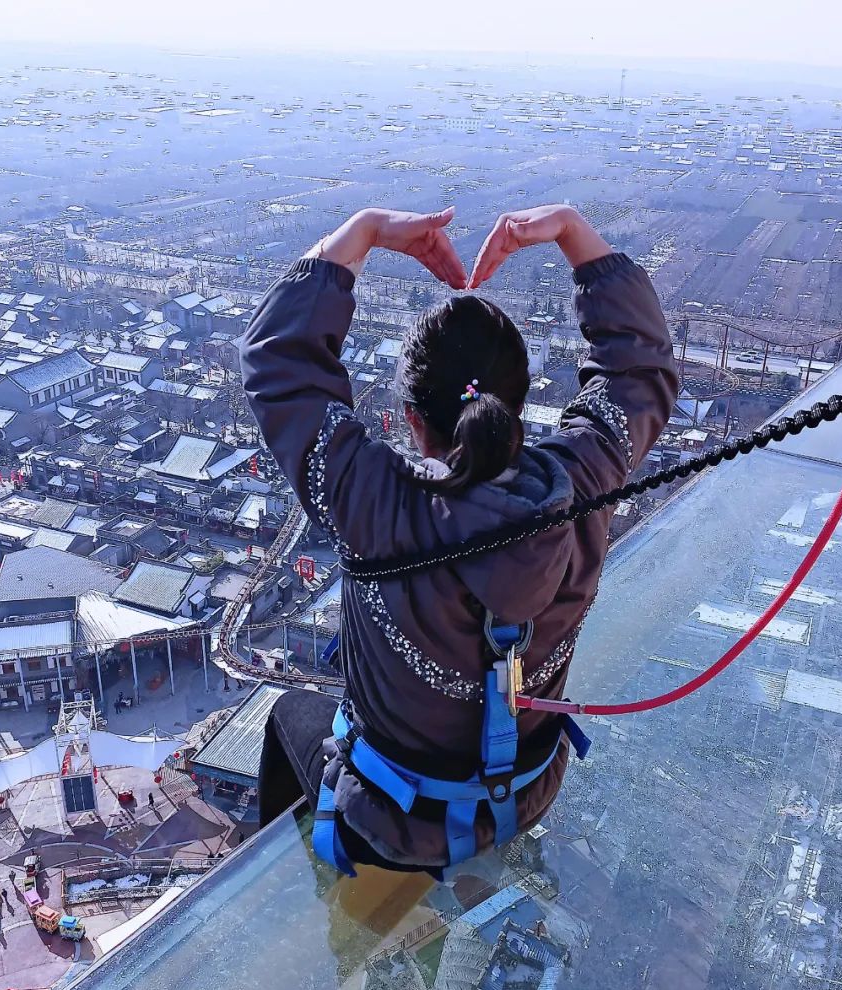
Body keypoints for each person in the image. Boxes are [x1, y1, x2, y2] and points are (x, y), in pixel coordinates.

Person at [241, 204, 678, 875]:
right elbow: (639, 370)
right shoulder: (585, 482)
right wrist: (571, 231)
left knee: (286, 721)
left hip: (394, 826)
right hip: (527, 793)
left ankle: (281, 904)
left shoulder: (374, 504)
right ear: (517, 406)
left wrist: (357, 232)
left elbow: (278, 362)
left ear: (412, 421)